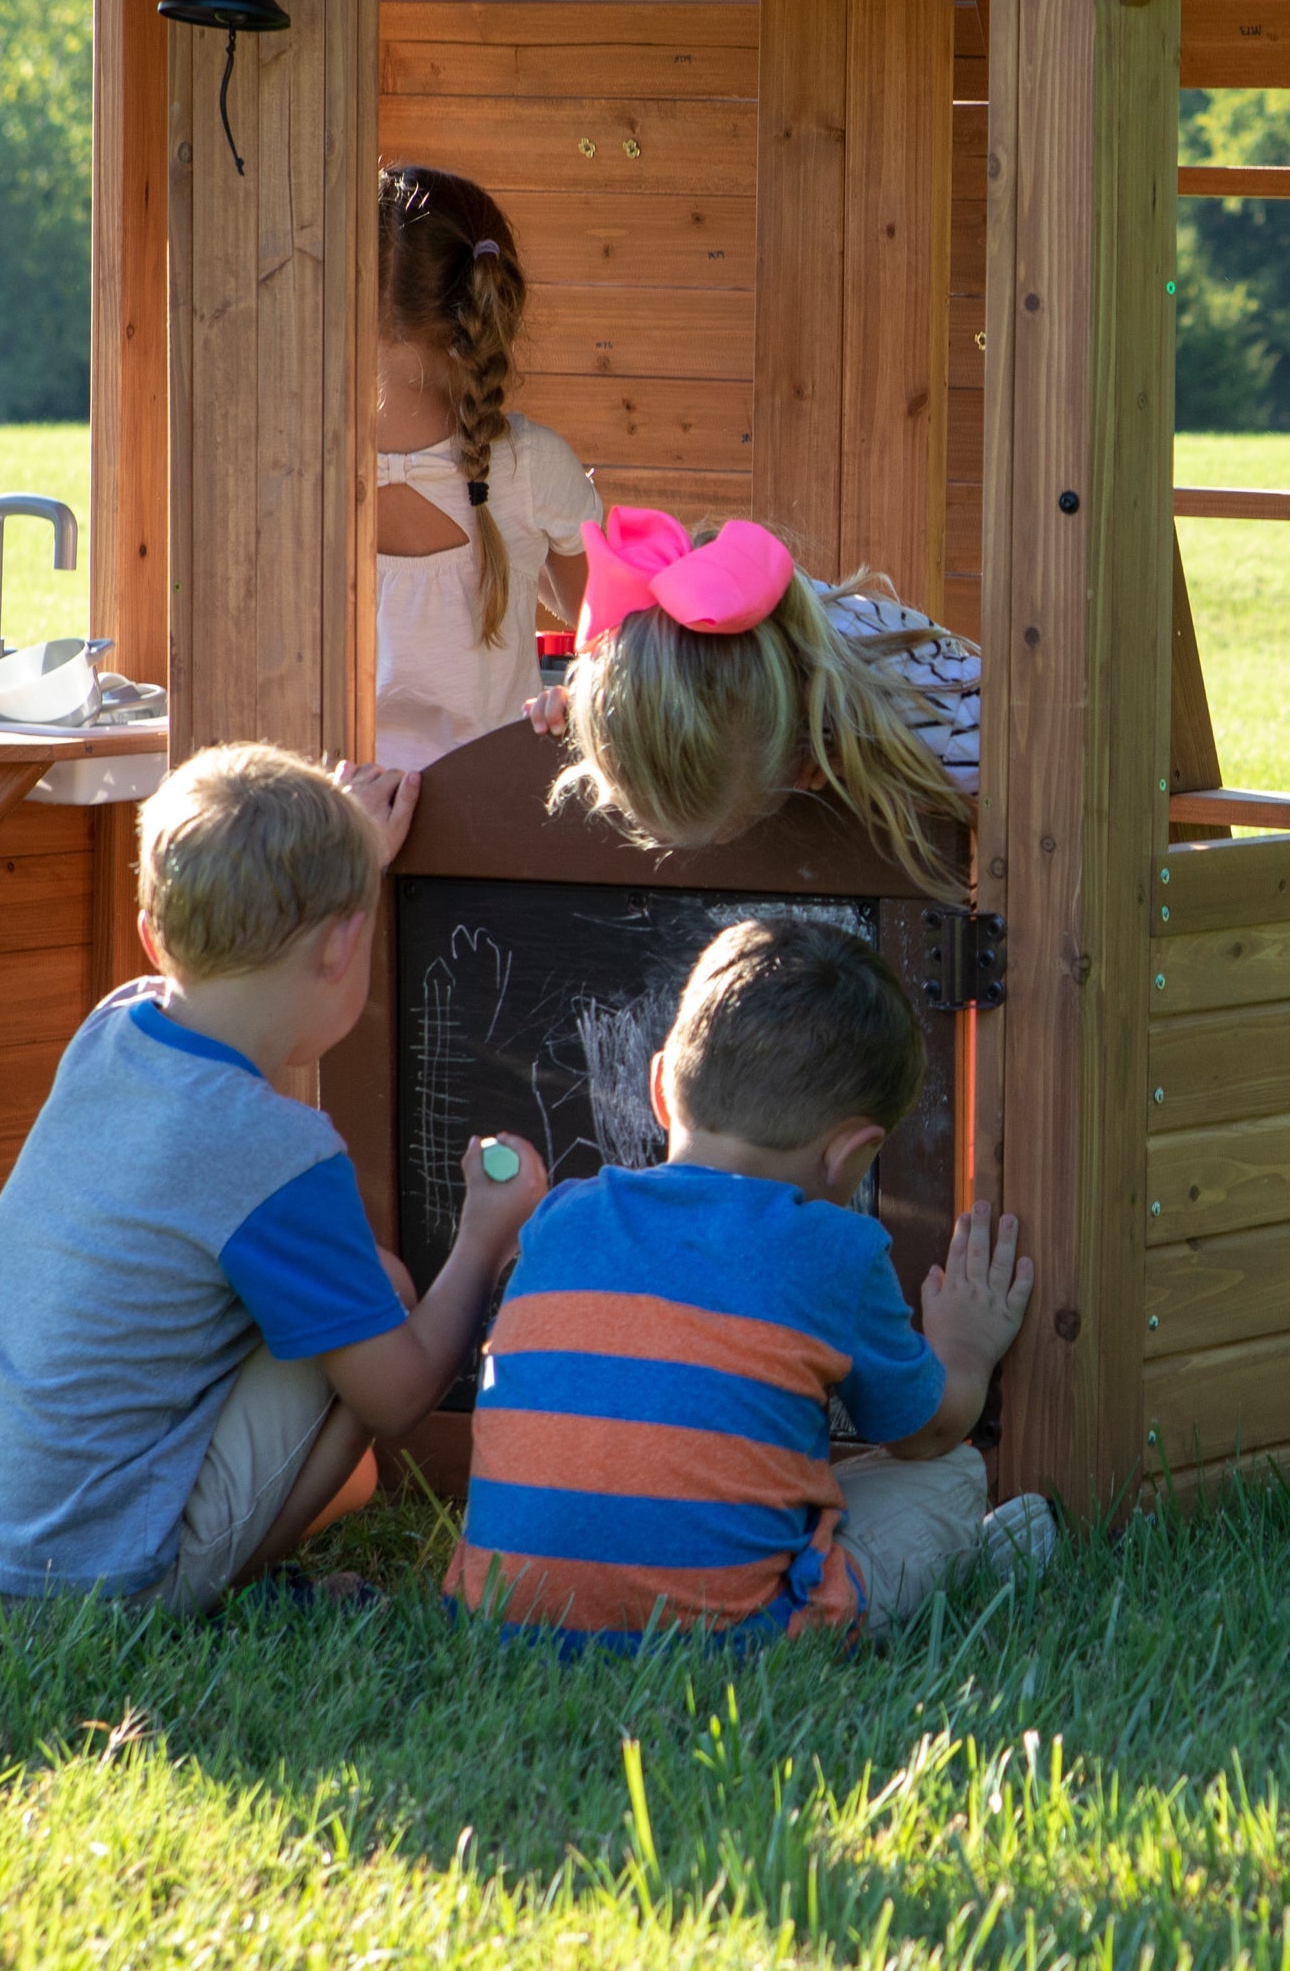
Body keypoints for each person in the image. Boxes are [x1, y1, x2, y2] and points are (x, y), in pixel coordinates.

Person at [0, 743, 548, 1610]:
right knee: (389, 1297)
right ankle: (211, 1590)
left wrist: (344, 856)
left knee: (342, 1303)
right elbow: (399, 1392)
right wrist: (484, 1235)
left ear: (152, 935)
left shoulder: (113, 1029)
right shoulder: (281, 1152)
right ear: (341, 947)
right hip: (76, 1583)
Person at [445, 917, 1050, 1645]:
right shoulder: (836, 1249)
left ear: (662, 1088)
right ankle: (983, 1559)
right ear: (852, 1153)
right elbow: (928, 1433)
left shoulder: (559, 1215)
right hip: (737, 1638)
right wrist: (968, 1350)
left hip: (499, 1616)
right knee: (950, 1479)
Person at [525, 506, 980, 903]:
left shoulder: (948, 732)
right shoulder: (710, 634)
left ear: (803, 764)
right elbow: (674, 687)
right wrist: (591, 715)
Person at [376, 163, 603, 772]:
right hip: (483, 835)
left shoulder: (301, 468)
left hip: (332, 824)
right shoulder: (531, 466)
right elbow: (609, 641)